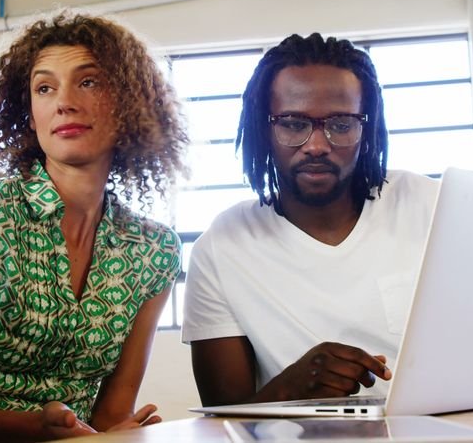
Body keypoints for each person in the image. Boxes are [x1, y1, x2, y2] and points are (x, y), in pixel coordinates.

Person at [0, 12, 189, 441]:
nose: (64, 102)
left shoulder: (152, 250)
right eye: (44, 88)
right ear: (30, 115)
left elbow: (108, 417)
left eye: (88, 81)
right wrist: (35, 430)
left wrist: (115, 435)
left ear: (129, 103)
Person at [181, 33, 441, 406]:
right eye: (292, 123)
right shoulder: (222, 247)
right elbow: (224, 425)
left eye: (340, 124)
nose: (317, 145)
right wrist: (291, 389)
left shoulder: (427, 205)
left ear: (366, 128)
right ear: (263, 129)